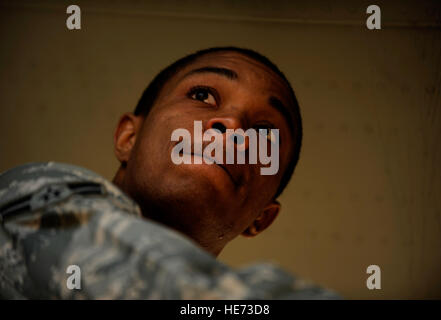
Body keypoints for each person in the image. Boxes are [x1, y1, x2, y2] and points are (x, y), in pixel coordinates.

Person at [0, 47, 340, 299]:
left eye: (266, 133)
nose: (234, 126)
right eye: (202, 95)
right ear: (128, 138)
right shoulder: (32, 194)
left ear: (261, 219)